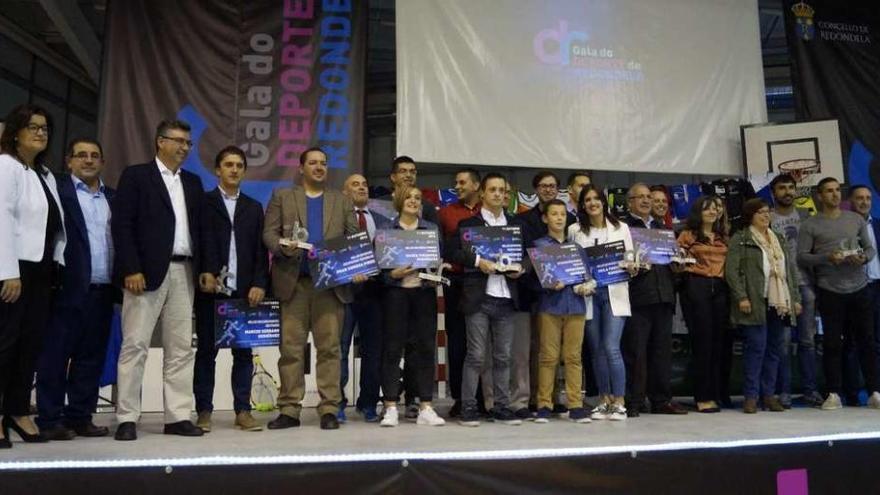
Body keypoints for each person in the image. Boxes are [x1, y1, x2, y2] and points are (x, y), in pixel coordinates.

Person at [112, 119, 215, 441]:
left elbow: (202, 231)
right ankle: (127, 417)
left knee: (181, 348)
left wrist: (207, 268)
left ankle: (177, 416)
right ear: (160, 142)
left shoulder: (194, 183)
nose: (185, 147)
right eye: (179, 141)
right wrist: (130, 268)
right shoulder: (137, 176)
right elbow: (122, 224)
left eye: (188, 143)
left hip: (185, 271)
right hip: (144, 273)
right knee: (135, 345)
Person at [263, 147, 360, 430]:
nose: (319, 167)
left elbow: (354, 237)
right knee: (291, 349)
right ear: (301, 168)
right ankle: (289, 409)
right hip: (293, 282)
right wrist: (282, 247)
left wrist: (354, 265)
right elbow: (269, 232)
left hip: (329, 286)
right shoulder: (283, 196)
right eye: (313, 163)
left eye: (323, 163)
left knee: (330, 349)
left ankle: (329, 407)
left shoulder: (340, 200)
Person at [35, 138, 116, 440]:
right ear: (68, 161)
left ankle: (81, 416)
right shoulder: (57, 192)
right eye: (81, 155)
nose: (88, 160)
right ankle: (49, 418)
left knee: (90, 358)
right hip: (65, 288)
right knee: (56, 356)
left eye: (95, 155)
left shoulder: (114, 197)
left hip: (103, 289)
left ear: (103, 163)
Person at [0, 104, 66, 447]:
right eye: (33, 127)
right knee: (5, 343)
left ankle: (17, 409)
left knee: (30, 344)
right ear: (15, 132)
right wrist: (8, 271)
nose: (41, 132)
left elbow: (53, 224)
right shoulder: (5, 166)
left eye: (44, 128)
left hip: (41, 272)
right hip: (13, 271)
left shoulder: (44, 173)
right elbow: (2, 220)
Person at [193, 146, 268, 433]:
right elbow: (197, 242)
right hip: (211, 290)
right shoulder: (204, 202)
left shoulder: (253, 207)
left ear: (244, 171)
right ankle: (203, 411)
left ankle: (243, 411)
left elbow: (261, 251)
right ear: (217, 170)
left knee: (244, 354)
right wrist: (203, 272)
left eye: (239, 165)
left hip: (244, 291)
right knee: (206, 354)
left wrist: (260, 283)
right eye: (228, 165)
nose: (234, 170)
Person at [446, 172, 525, 426]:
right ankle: (468, 407)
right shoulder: (469, 225)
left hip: (506, 296)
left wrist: (522, 268)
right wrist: (480, 262)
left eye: (502, 190)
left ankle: (502, 406)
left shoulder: (516, 225)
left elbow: (528, 256)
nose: (498, 194)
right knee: (476, 356)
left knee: (503, 357)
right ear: (482, 193)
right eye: (493, 190)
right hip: (478, 297)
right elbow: (453, 251)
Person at [798, 178, 880, 410]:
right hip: (830, 290)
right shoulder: (810, 225)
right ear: (819, 196)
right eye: (829, 191)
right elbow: (802, 257)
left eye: (837, 191)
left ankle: (875, 391)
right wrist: (827, 258)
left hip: (860, 287)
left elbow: (870, 248)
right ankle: (834, 393)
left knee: (868, 342)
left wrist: (863, 257)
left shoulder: (854, 219)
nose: (834, 195)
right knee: (833, 344)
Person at [377, 186, 445, 427]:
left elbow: (438, 259)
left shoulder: (431, 229)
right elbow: (379, 272)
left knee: (426, 347)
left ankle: (425, 405)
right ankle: (391, 406)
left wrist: (437, 269)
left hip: (423, 294)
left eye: (417, 198)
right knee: (393, 349)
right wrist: (392, 274)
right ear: (398, 201)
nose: (413, 201)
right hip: (396, 295)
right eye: (408, 197)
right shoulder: (386, 230)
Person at [726, 199, 802, 413]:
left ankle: (769, 395)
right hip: (755, 300)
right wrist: (741, 297)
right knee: (756, 349)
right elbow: (732, 272)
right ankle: (751, 397)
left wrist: (795, 298)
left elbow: (790, 272)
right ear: (750, 215)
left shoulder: (778, 238)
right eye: (760, 212)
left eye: (768, 212)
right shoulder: (741, 238)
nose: (765, 216)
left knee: (774, 350)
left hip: (779, 302)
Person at [620, 184, 687, 417]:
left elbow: (671, 260)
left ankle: (661, 400)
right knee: (636, 352)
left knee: (662, 352)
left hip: (664, 295)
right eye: (640, 197)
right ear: (630, 202)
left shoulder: (662, 228)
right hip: (638, 296)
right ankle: (634, 401)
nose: (646, 201)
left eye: (649, 197)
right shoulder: (624, 228)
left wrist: (677, 265)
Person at [569, 184, 634, 421]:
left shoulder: (621, 227)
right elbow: (573, 264)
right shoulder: (575, 230)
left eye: (596, 199)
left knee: (611, 347)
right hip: (588, 295)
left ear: (603, 202)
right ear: (582, 204)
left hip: (614, 292)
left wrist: (632, 267)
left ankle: (619, 400)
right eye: (588, 200)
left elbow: (630, 257)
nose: (592, 203)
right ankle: (604, 399)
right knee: (596, 350)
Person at [532, 199, 592, 423]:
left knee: (573, 357)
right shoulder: (539, 246)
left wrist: (587, 286)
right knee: (548, 358)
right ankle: (544, 404)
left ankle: (575, 404)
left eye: (562, 214)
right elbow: (535, 279)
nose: (559, 218)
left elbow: (586, 276)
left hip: (576, 306)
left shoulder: (576, 248)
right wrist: (547, 284)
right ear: (545, 218)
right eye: (554, 214)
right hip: (550, 306)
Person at [338, 173, 390, 423]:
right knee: (340, 349)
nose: (361, 187)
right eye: (355, 184)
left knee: (374, 351)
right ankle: (337, 402)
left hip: (374, 292)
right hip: (343, 291)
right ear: (344, 192)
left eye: (364, 184)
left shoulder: (382, 221)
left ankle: (368, 402)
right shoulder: (335, 220)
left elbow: (390, 254)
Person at [768, 174, 822, 407]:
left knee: (808, 341)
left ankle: (810, 390)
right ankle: (785, 391)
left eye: (791, 187)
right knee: (782, 342)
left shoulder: (806, 216)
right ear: (773, 192)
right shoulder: (766, 217)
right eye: (782, 188)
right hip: (779, 286)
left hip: (805, 283)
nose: (788, 192)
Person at [437, 168, 484, 418]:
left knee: (484, 343)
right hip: (456, 281)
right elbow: (442, 248)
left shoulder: (488, 214)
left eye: (462, 182)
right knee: (457, 343)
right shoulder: (446, 213)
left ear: (477, 186)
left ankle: (484, 397)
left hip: (484, 281)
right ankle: (460, 398)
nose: (457, 186)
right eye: (456, 182)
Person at [677, 195, 728, 413]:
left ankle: (718, 393)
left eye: (716, 208)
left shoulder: (723, 236)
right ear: (699, 212)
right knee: (703, 341)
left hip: (721, 287)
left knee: (720, 341)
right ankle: (703, 395)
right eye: (707, 208)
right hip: (696, 286)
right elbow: (676, 258)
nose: (712, 211)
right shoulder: (687, 235)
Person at [848, 185, 880, 389]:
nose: (864, 202)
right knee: (852, 341)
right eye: (859, 198)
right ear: (850, 201)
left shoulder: (877, 225)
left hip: (877, 288)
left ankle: (876, 388)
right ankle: (851, 390)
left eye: (868, 198)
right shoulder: (843, 226)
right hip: (852, 289)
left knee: (877, 340)